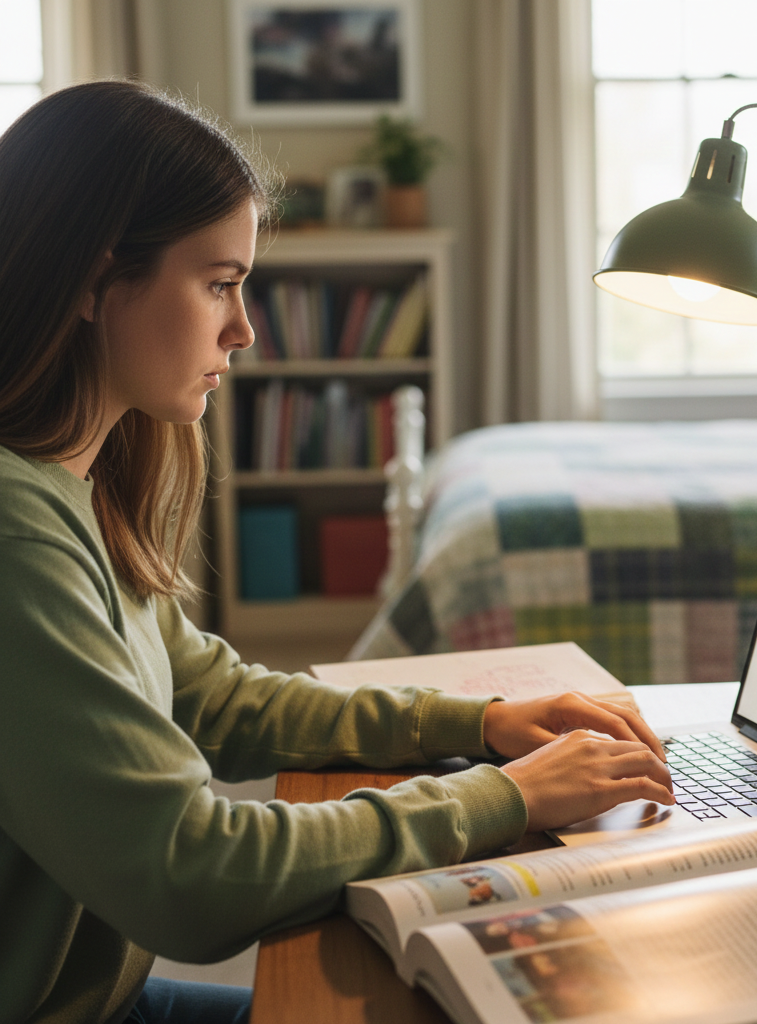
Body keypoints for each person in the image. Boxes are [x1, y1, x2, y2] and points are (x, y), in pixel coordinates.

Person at [0, 81, 673, 1024]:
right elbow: (188, 875)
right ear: (92, 279)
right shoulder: (16, 530)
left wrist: (477, 722)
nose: (244, 331)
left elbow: (216, 696)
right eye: (219, 284)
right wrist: (504, 798)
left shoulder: (75, 482)